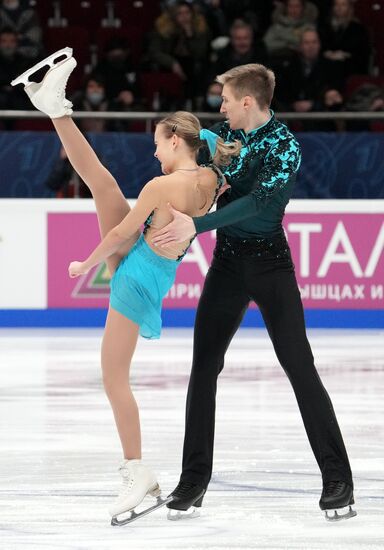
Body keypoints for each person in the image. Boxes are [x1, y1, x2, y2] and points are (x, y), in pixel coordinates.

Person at [11, 48, 240, 524]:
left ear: (177, 141)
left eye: (159, 143)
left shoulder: (161, 188)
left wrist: (83, 264)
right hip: (152, 272)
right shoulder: (213, 177)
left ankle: (138, 470)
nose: (154, 152)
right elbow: (135, 222)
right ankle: (57, 109)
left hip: (133, 278)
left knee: (114, 379)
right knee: (105, 185)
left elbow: (120, 236)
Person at [151, 63, 356, 522]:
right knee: (203, 367)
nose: (220, 106)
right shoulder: (227, 134)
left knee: (300, 367)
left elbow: (261, 204)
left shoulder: (285, 146)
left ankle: (338, 480)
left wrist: (196, 226)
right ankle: (193, 481)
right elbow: (206, 172)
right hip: (226, 264)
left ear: (247, 101)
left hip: (269, 265)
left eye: (225, 98)